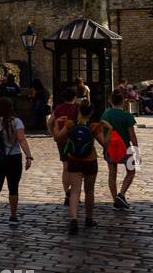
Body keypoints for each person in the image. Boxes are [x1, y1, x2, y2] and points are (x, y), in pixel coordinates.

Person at [0, 95, 32, 231]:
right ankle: (13, 216)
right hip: (13, 158)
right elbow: (21, 140)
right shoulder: (16, 122)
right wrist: (28, 156)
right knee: (13, 188)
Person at [56, 99, 101, 234]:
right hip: (90, 160)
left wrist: (56, 124)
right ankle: (88, 218)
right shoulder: (93, 126)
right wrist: (108, 130)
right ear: (92, 112)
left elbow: (58, 137)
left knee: (75, 191)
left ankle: (74, 220)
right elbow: (106, 143)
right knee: (89, 191)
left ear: (78, 110)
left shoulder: (70, 124)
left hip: (74, 159)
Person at [99, 90, 139, 210]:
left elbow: (101, 132)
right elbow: (132, 135)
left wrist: (104, 146)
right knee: (131, 172)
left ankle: (115, 199)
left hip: (110, 148)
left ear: (110, 101)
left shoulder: (106, 114)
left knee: (112, 174)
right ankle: (121, 194)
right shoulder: (127, 116)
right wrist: (136, 149)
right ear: (123, 101)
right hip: (125, 148)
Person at [50, 86, 80, 205]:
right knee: (76, 168)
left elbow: (49, 123)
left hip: (61, 140)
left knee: (66, 167)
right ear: (75, 97)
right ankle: (74, 193)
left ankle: (67, 193)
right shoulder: (77, 108)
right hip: (74, 140)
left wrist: (54, 134)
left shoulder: (58, 108)